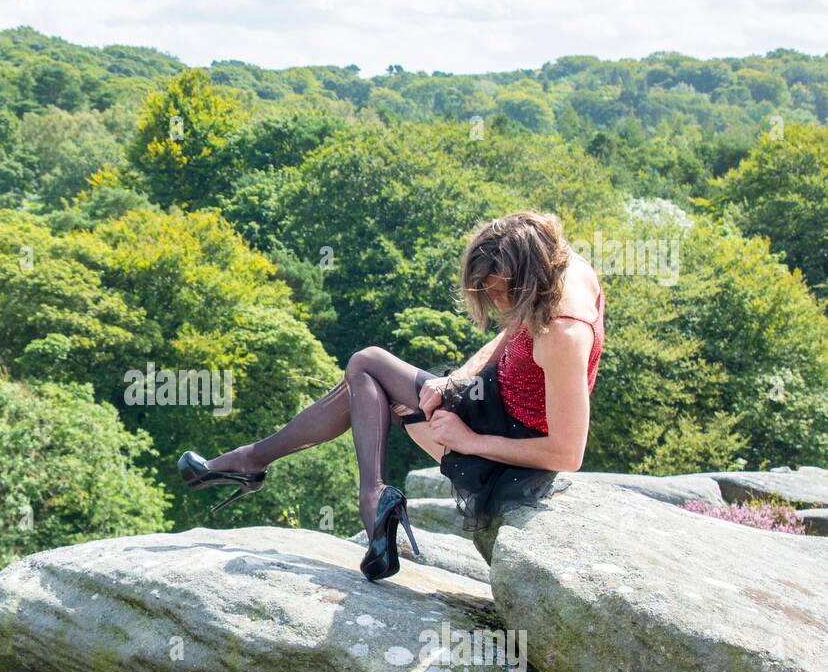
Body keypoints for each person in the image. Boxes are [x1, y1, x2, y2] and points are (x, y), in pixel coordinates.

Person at [178, 211, 605, 581]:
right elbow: (512, 335)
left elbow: (567, 453)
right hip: (492, 400)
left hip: (506, 451)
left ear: (528, 279)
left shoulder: (563, 332)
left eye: (498, 291)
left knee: (366, 364)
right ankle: (269, 469)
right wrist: (455, 380)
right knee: (364, 383)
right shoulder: (553, 273)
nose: (493, 301)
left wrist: (465, 440)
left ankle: (353, 498)